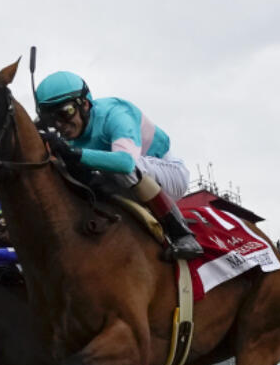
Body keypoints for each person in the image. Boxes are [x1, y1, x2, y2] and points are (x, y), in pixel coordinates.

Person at [33, 70, 201, 259]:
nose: (60, 124)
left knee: (119, 169)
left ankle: (182, 234)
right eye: (51, 119)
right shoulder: (67, 127)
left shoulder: (116, 113)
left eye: (66, 113)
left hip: (170, 174)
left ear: (85, 105)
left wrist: (71, 152)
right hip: (131, 185)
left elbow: (125, 163)